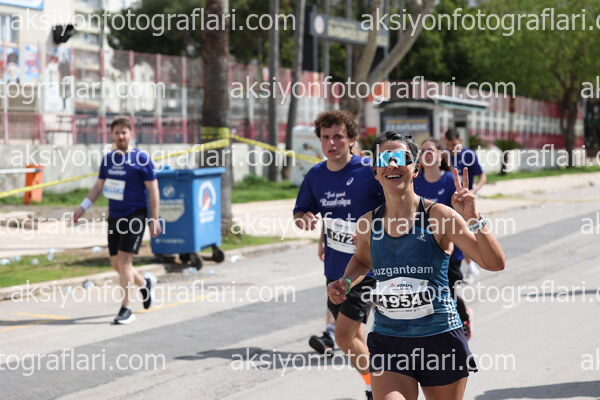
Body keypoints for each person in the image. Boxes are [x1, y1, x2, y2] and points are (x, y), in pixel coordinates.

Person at [328, 131, 505, 400]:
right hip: (389, 339)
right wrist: (347, 281)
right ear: (375, 171)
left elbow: (494, 263)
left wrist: (474, 218)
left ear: (416, 169)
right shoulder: (368, 223)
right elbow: (363, 259)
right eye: (384, 159)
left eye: (400, 158)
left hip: (439, 337)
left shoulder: (439, 216)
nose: (392, 165)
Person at [293, 110, 384, 399]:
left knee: (343, 337)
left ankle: (377, 388)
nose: (332, 143)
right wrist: (306, 220)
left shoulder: (368, 171)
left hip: (366, 269)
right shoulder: (316, 175)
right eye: (326, 137)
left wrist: (373, 231)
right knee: (355, 337)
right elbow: (302, 211)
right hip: (334, 269)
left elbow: (395, 207)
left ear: (352, 139)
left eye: (338, 137)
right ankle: (377, 384)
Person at [74, 118, 162, 324]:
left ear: (131, 133)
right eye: (117, 133)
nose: (121, 136)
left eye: (124, 132)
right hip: (115, 216)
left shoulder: (141, 159)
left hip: (135, 215)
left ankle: (126, 309)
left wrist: (154, 219)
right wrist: (82, 207)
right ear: (111, 135)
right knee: (116, 264)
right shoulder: (109, 159)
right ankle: (144, 284)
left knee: (124, 262)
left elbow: (153, 190)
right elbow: (98, 187)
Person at [414, 138, 472, 339]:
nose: (427, 154)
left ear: (440, 155)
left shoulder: (449, 180)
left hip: (450, 248)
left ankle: (464, 319)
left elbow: (460, 215)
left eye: (431, 150)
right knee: (430, 292)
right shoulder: (415, 182)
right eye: (423, 151)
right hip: (422, 248)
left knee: (449, 289)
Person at [445, 128, 487, 283]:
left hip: (465, 202)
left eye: (454, 145)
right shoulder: (445, 155)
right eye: (448, 145)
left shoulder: (468, 155)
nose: (451, 148)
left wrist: (474, 191)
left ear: (460, 141)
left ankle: (471, 267)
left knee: (465, 234)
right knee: (452, 233)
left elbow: (483, 177)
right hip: (448, 199)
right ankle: (468, 267)